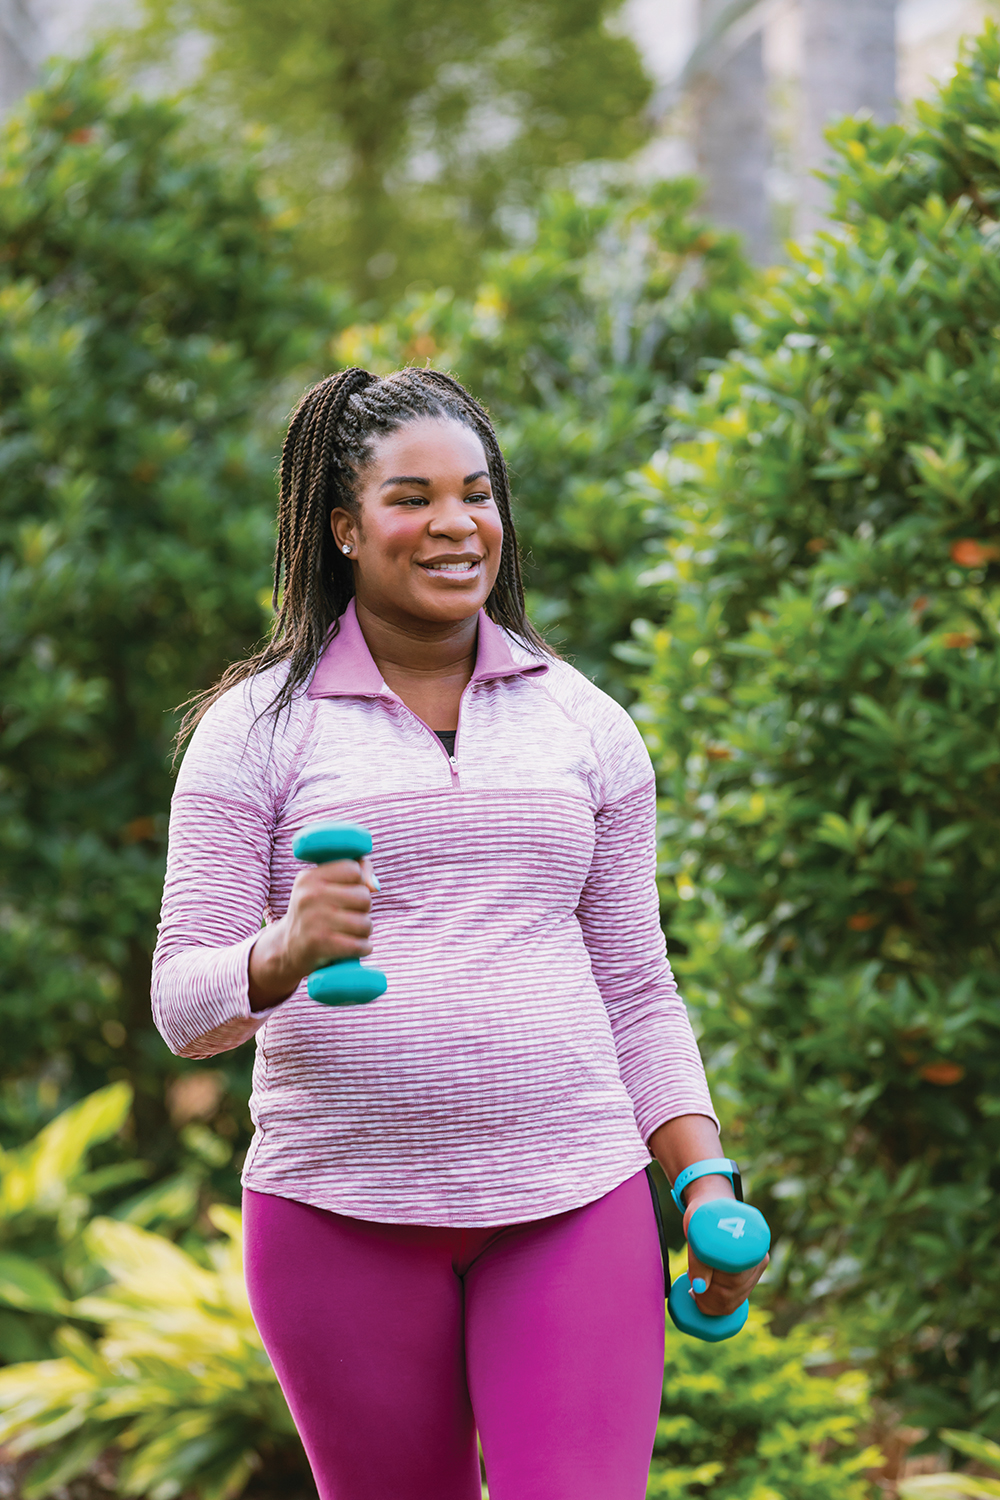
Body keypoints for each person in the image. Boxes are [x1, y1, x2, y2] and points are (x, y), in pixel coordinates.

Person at [152, 367, 767, 1500]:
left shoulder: (584, 724)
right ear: (341, 526)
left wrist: (703, 1182)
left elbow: (636, 988)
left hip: (571, 1199)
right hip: (338, 1215)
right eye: (411, 497)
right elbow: (183, 1009)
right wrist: (282, 954)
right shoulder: (254, 732)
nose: (453, 524)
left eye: (476, 494)